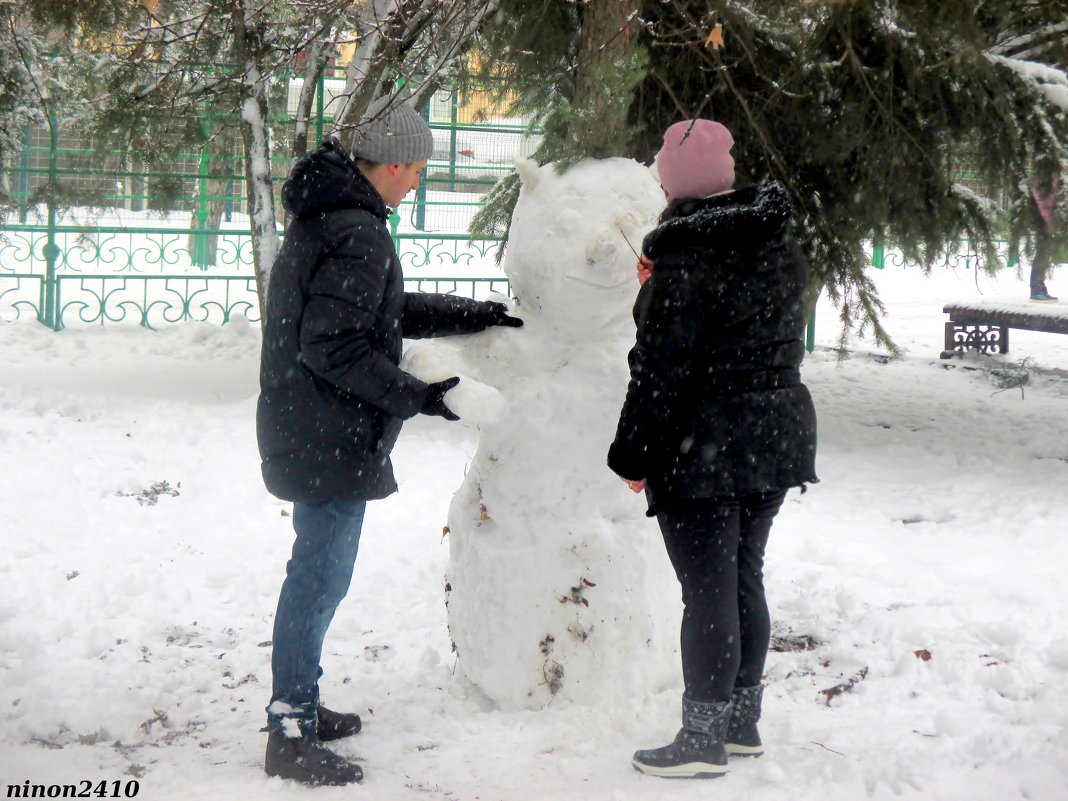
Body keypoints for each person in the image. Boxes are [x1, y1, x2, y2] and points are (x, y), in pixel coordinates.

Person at [256, 96, 522, 786]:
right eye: (418, 170)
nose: (418, 183)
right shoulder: (357, 230)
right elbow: (334, 345)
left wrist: (473, 313)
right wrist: (423, 398)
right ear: (397, 162)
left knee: (318, 575)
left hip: (308, 426)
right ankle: (290, 726)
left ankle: (302, 703)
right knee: (317, 578)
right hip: (327, 435)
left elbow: (381, 309)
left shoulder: (333, 220)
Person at [608, 119, 818, 779]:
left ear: (672, 181)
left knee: (708, 589)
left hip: (706, 444)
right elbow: (737, 324)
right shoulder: (775, 239)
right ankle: (740, 722)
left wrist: (633, 455)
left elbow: (662, 368)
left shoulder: (685, 257)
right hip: (774, 431)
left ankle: (701, 739)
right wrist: (659, 284)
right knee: (742, 574)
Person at [1029, 177, 1059, 303]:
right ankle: (1036, 290)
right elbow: (1043, 202)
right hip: (1044, 222)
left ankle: (1040, 288)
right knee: (1042, 254)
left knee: (1044, 255)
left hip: (1049, 221)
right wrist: (1049, 221)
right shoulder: (1045, 176)